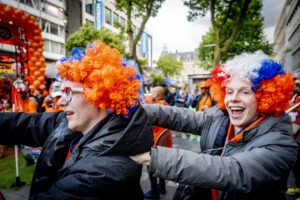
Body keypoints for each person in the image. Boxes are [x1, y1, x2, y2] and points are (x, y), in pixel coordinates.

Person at [131, 51, 299, 200]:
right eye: (230, 91)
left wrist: (153, 157)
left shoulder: (280, 144)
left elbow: (231, 171)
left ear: (265, 98)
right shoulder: (221, 117)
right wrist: (136, 109)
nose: (233, 99)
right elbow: (182, 117)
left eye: (245, 92)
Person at [0, 41, 153, 199]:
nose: (60, 102)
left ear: (98, 94)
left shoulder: (104, 173)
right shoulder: (71, 122)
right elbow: (26, 125)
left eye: (68, 93)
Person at [144, 86, 173, 200]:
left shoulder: (155, 106)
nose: (150, 95)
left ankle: (154, 192)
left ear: (156, 95)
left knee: (150, 166)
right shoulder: (165, 104)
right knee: (162, 165)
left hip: (155, 140)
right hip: (164, 141)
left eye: (151, 93)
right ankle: (161, 187)